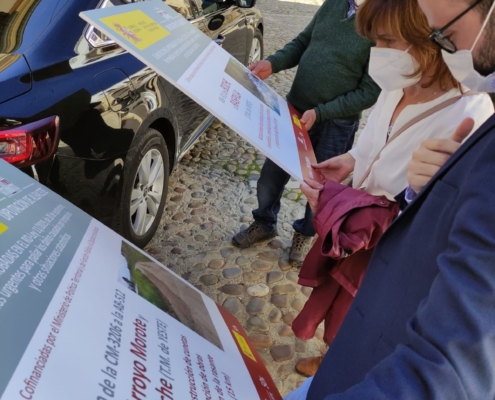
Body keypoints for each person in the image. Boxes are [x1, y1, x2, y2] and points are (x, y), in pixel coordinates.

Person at [285, 0, 495, 398]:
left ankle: (341, 363)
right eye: (373, 40)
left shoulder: (470, 111)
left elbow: (442, 216)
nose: (375, 53)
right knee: (342, 313)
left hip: (380, 242)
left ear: (430, 41)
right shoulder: (392, 89)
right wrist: (347, 163)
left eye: (386, 40)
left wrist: (415, 191)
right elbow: (372, 146)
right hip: (353, 227)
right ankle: (334, 358)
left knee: (362, 317)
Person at [232, 0, 380, 267]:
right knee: (271, 175)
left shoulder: (383, 22)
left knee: (320, 188)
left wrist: (322, 112)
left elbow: (370, 92)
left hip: (336, 124)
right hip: (295, 111)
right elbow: (303, 42)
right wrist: (273, 63)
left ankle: (305, 233)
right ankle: (264, 223)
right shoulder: (334, 3)